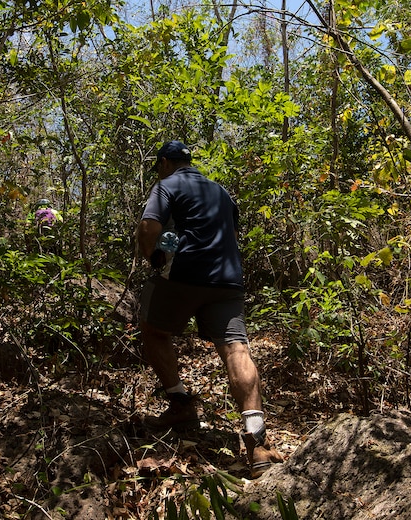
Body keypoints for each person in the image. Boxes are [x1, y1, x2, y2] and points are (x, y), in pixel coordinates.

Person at [135, 140, 283, 478]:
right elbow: (230, 233)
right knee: (235, 349)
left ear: (163, 163)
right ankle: (258, 443)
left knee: (154, 330)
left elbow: (148, 229)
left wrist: (155, 258)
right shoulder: (222, 191)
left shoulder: (167, 185)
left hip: (183, 275)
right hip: (228, 280)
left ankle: (180, 404)